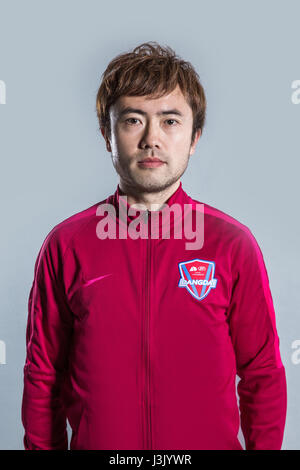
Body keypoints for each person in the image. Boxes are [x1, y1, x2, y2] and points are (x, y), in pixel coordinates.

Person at [21, 41, 287, 450]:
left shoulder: (232, 245)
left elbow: (262, 373)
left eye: (170, 121)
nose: (151, 139)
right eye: (132, 120)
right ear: (108, 136)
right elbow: (43, 377)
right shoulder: (66, 245)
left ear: (194, 136)